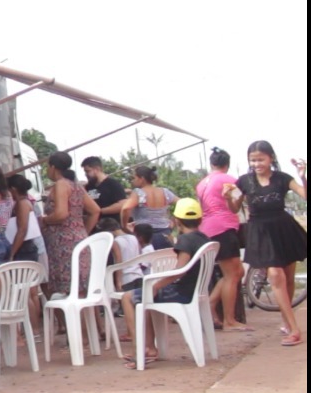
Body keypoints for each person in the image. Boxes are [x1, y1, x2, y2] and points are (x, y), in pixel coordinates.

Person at [223, 141, 307, 347]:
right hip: (260, 232)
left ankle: (287, 322)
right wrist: (227, 198)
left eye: (261, 159)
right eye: (253, 160)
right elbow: (234, 208)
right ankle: (295, 329)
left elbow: (304, 195)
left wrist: (303, 176)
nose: (257, 163)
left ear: (271, 158)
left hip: (283, 230)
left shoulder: (283, 179)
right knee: (276, 276)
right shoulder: (244, 181)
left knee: (288, 279)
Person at [124, 198, 212, 368]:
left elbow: (180, 270)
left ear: (176, 220)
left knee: (128, 297)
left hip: (182, 292)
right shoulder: (204, 238)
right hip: (196, 290)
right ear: (200, 219)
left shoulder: (186, 240)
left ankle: (139, 350)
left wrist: (157, 285)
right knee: (144, 297)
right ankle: (149, 347)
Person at [196, 147, 250, 332]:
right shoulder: (228, 180)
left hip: (207, 228)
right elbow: (238, 202)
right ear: (227, 164)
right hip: (224, 227)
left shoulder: (202, 183)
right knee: (233, 274)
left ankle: (212, 304)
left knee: (236, 272)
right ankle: (229, 320)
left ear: (211, 164)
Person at [41, 152, 101, 297]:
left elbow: (61, 214)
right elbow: (95, 210)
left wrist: (44, 220)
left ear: (53, 167)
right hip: (78, 240)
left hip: (63, 245)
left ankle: (70, 320)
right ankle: (84, 320)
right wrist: (81, 232)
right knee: (80, 289)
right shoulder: (75, 185)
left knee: (68, 290)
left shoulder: (61, 185)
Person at [110, 220, 152, 341]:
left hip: (127, 276)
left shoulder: (116, 241)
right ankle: (143, 332)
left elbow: (118, 260)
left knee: (128, 306)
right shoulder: (133, 238)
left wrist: (118, 280)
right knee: (139, 305)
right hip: (138, 274)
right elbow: (139, 254)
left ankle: (131, 333)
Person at [120, 166, 178, 249]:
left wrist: (124, 226)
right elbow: (184, 203)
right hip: (165, 235)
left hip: (145, 237)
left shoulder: (139, 193)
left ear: (142, 178)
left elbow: (125, 208)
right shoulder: (165, 192)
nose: (132, 181)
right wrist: (173, 221)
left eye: (134, 178)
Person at [6, 174, 43, 264]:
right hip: (25, 248)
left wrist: (12, 254)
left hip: (24, 249)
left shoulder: (22, 204)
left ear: (13, 189)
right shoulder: (23, 202)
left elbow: (22, 230)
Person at [82, 156, 127, 229]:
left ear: (97, 169)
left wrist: (99, 211)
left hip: (111, 228)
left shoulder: (113, 184)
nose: (86, 174)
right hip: (93, 229)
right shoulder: (89, 186)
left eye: (88, 171)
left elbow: (122, 204)